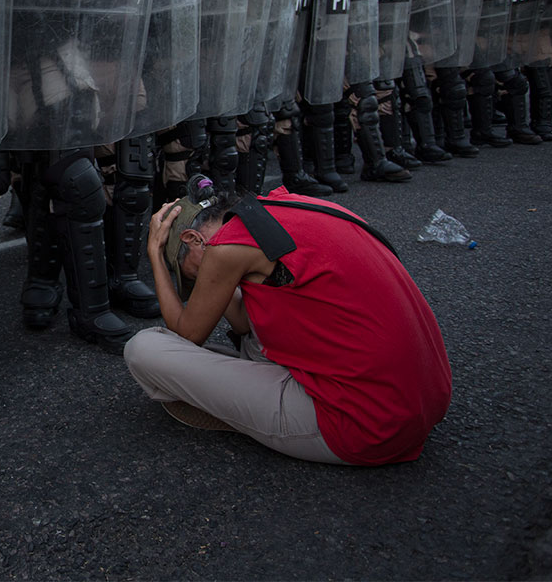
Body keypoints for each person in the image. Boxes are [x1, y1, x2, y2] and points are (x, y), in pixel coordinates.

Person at [124, 182, 452, 466]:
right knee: (250, 326)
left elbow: (187, 334)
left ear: (194, 238)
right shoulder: (280, 206)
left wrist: (154, 253)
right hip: (420, 401)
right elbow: (242, 325)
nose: (198, 283)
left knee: (144, 348)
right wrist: (216, 284)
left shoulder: (227, 250)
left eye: (189, 274)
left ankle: (256, 418)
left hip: (363, 426)